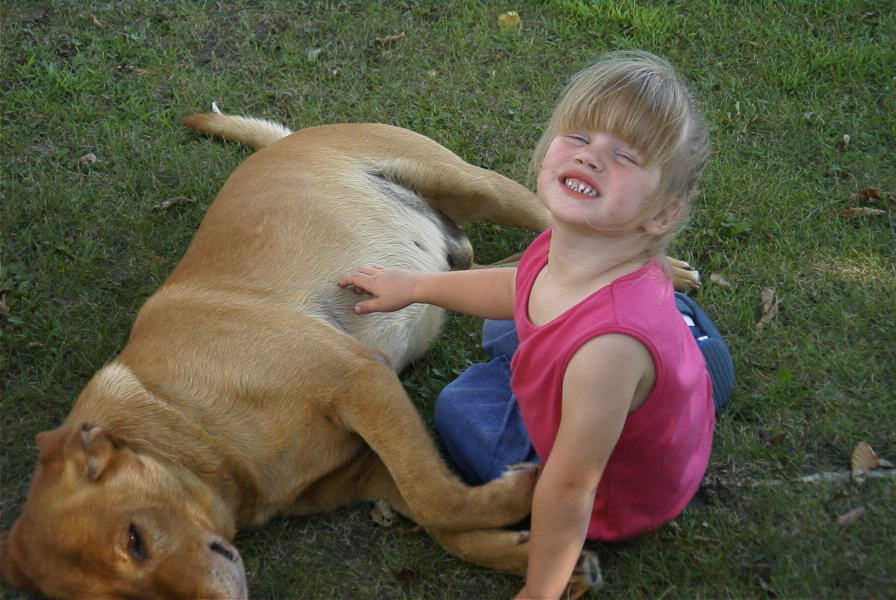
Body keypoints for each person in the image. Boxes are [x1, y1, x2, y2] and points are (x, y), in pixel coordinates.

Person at [339, 51, 733, 599]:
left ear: (662, 214)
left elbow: (571, 486)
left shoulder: (608, 349)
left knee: (459, 406)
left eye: (624, 156)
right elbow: (515, 287)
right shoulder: (581, 244)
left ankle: (658, 372)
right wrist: (415, 286)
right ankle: (688, 350)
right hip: (638, 395)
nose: (593, 158)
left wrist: (541, 589)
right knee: (504, 326)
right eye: (579, 137)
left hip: (613, 494)